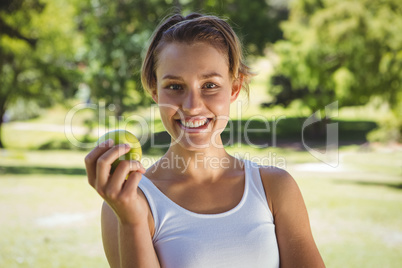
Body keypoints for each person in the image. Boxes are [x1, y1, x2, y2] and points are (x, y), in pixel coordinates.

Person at [84, 12, 325, 268]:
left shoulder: (274, 189)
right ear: (155, 91)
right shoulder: (126, 202)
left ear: (234, 88)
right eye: (175, 86)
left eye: (210, 85)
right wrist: (132, 221)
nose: (192, 106)